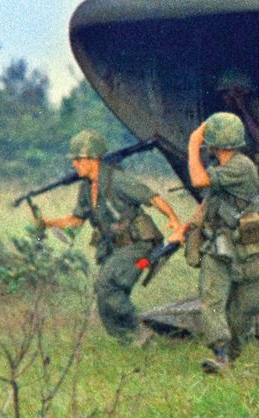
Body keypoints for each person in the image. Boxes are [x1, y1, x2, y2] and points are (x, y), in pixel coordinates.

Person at [31, 129, 188, 343]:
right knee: (103, 289)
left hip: (142, 250)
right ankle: (126, 339)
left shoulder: (118, 180)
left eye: (77, 159)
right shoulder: (87, 188)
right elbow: (76, 220)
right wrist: (47, 223)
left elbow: (153, 197)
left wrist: (174, 221)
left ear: (93, 159)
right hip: (119, 250)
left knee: (108, 285)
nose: (74, 165)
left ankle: (142, 335)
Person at [184, 111, 259, 373]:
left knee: (243, 310)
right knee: (212, 300)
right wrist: (186, 228)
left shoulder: (241, 167)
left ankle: (231, 354)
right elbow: (209, 201)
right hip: (218, 246)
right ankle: (221, 355)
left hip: (247, 248)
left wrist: (193, 145)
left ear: (213, 144)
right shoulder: (222, 169)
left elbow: (198, 180)